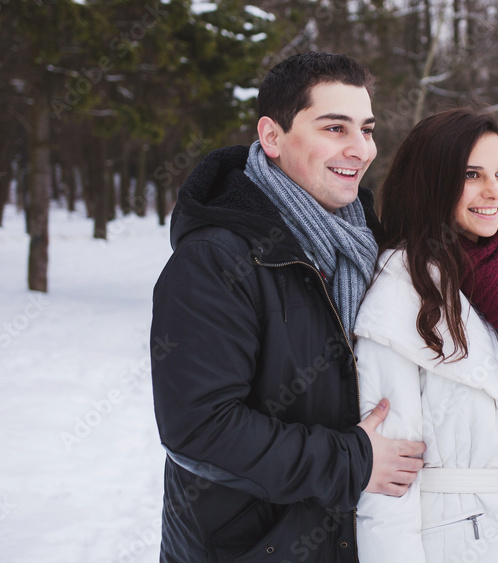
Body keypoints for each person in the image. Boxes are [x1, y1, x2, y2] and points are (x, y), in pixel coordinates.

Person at [150, 52, 425, 562]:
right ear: (272, 136)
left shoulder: (371, 247)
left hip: (355, 537)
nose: (360, 149)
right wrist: (352, 461)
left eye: (366, 129)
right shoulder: (216, 259)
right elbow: (199, 429)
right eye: (334, 128)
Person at [354, 107, 498, 562]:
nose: (494, 191)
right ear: (431, 183)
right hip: (452, 541)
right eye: (471, 174)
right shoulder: (398, 296)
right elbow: (388, 490)